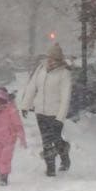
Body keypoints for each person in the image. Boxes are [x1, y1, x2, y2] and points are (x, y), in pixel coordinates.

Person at [18, 43, 74, 177]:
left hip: (55, 113)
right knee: (46, 141)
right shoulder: (41, 69)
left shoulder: (64, 73)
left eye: (53, 58)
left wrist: (60, 118)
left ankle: (64, 153)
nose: (50, 60)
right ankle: (50, 168)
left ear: (59, 60)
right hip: (40, 112)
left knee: (55, 138)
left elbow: (66, 98)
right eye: (49, 57)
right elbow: (32, 87)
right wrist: (26, 105)